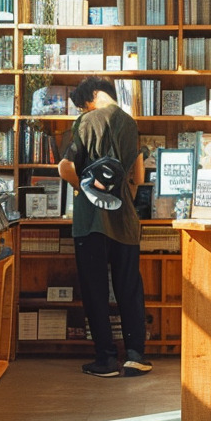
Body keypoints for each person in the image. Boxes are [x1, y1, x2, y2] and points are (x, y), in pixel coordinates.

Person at [57, 76, 152, 378]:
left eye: (84, 103)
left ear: (94, 95)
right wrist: (125, 197)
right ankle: (135, 356)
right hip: (124, 221)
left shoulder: (85, 122)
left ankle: (106, 359)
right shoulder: (130, 123)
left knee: (96, 290)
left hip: (91, 222)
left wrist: (86, 188)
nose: (84, 109)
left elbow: (66, 167)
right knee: (129, 288)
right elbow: (137, 175)